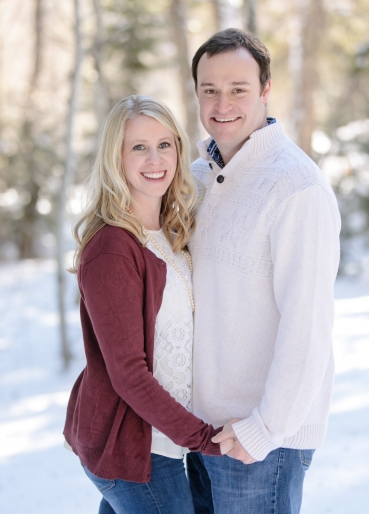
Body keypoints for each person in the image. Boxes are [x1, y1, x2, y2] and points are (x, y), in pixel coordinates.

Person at [184, 28, 341, 513]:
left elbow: (308, 324)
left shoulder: (296, 187)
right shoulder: (196, 179)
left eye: (238, 89)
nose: (222, 103)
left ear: (266, 89)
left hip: (260, 441)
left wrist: (265, 429)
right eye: (209, 90)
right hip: (199, 430)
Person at [64, 95, 233, 514]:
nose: (154, 158)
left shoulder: (173, 234)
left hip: (168, 439)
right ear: (115, 157)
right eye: (138, 146)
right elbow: (128, 373)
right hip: (134, 447)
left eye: (164, 144)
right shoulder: (112, 249)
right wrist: (202, 437)